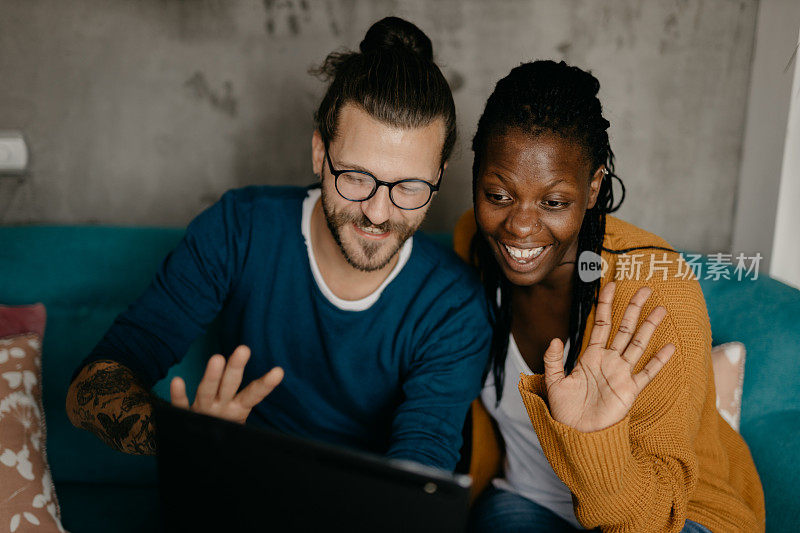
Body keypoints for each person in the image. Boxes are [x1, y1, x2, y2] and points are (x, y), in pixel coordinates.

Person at [65, 16, 491, 472]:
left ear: (440, 175)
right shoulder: (239, 229)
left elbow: (421, 462)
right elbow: (86, 391)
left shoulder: (454, 305)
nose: (378, 212)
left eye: (409, 186)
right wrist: (184, 436)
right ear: (318, 152)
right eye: (356, 177)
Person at [454, 60, 765, 532]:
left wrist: (596, 440)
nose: (519, 225)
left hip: (668, 518)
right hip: (528, 503)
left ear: (593, 186)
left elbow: (655, 520)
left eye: (554, 202)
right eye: (498, 195)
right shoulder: (474, 248)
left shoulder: (657, 296)